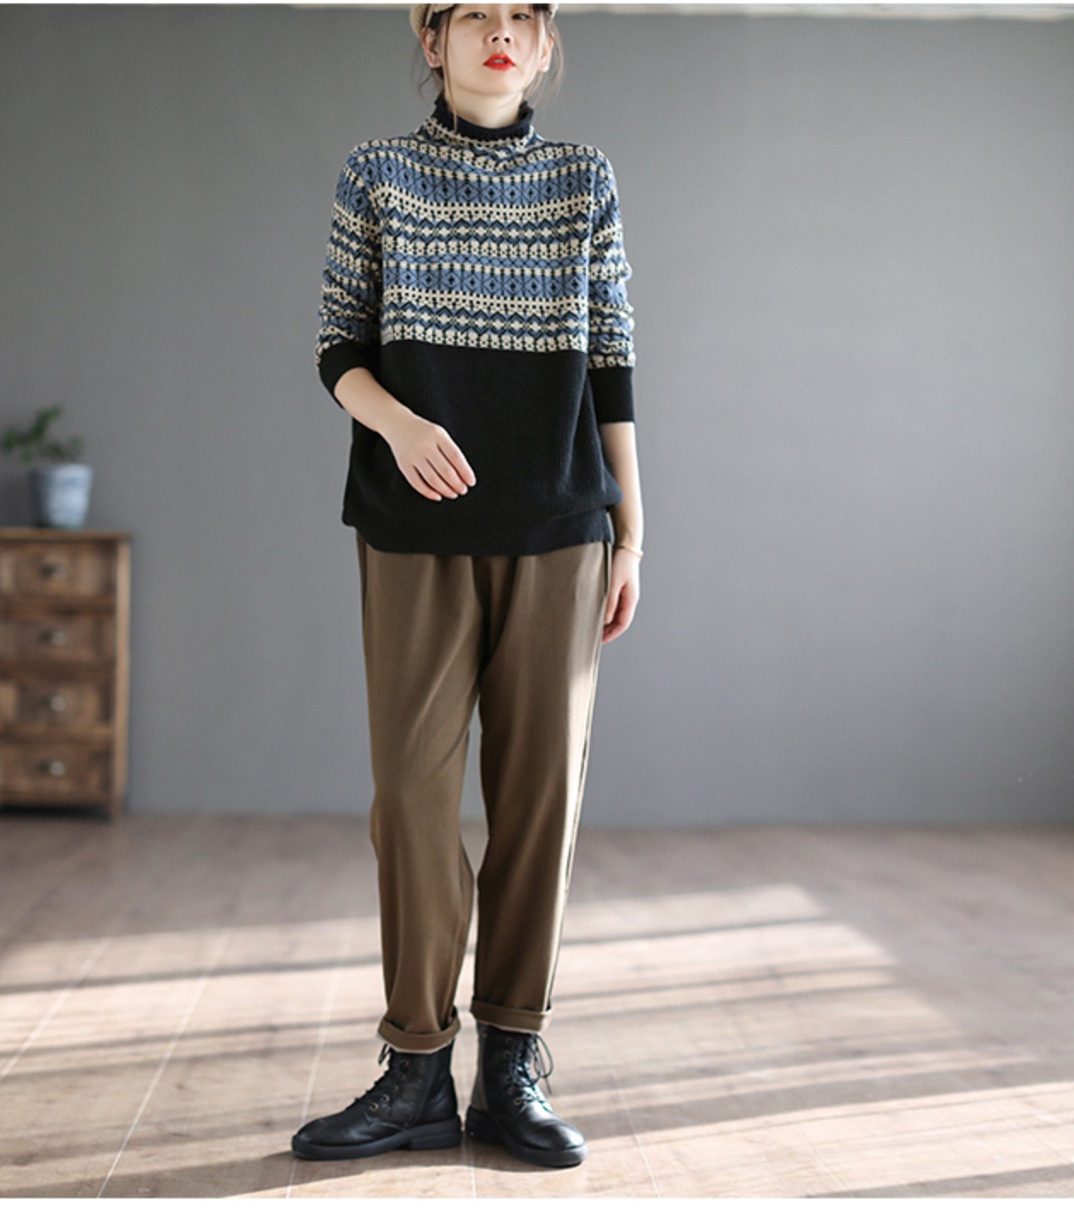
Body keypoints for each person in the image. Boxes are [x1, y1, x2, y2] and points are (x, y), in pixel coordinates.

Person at [292, 3, 643, 1170]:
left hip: (560, 527)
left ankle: (510, 1064)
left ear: (543, 45)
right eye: (474, 14)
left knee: (540, 799)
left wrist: (631, 532)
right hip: (412, 529)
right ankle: (413, 1067)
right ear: (429, 38)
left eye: (522, 16)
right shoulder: (376, 174)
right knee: (410, 797)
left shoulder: (583, 180)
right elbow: (338, 347)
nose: (501, 31)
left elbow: (611, 364)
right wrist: (397, 424)